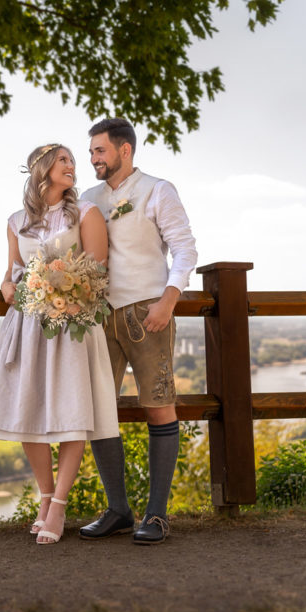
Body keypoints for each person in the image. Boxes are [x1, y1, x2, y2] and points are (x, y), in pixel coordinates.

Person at [0, 143, 120, 545]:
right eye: (64, 160)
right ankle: (44, 497)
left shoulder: (85, 214)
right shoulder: (15, 221)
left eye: (73, 162)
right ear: (41, 168)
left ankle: (59, 506)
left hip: (71, 324)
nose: (72, 166)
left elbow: (97, 270)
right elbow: (10, 273)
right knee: (29, 411)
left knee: (71, 411)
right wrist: (7, 285)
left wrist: (69, 291)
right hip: (26, 326)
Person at [77, 117, 198, 545]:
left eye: (100, 151)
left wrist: (168, 300)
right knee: (98, 412)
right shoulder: (87, 198)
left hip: (148, 312)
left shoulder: (158, 190)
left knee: (159, 406)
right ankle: (118, 510)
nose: (93, 158)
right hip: (98, 318)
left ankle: (158, 515)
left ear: (124, 150)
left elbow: (185, 249)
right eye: (91, 151)